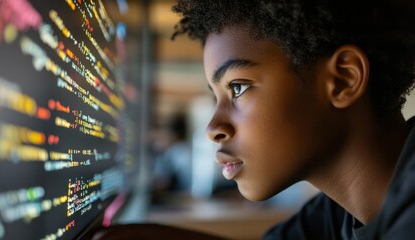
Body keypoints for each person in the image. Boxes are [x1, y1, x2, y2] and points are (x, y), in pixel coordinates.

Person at [93, 0, 415, 239]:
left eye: (238, 87)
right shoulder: (340, 215)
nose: (212, 129)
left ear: (343, 80)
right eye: (215, 96)